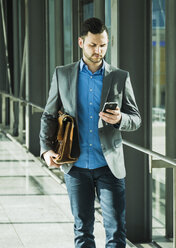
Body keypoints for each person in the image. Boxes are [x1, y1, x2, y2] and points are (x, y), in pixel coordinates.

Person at [39, 17, 141, 248]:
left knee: (116, 230)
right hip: (75, 165)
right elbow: (48, 115)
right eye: (93, 45)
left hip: (109, 166)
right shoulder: (62, 74)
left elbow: (135, 119)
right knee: (82, 230)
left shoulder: (119, 76)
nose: (99, 50)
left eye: (103, 45)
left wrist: (120, 119)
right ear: (81, 42)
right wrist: (46, 149)